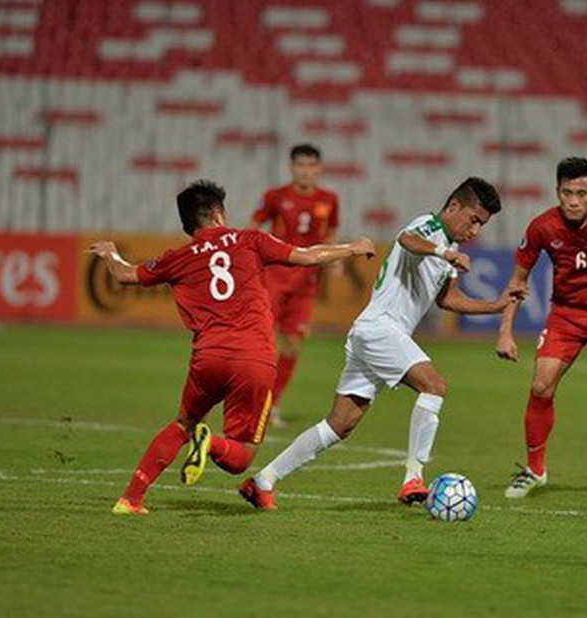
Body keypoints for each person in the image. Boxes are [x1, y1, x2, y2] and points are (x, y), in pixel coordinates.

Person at [237, 177, 525, 510]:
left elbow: (449, 299)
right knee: (434, 386)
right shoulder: (428, 226)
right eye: (474, 220)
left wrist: (495, 304)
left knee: (340, 424)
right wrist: (443, 252)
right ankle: (413, 479)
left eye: (482, 225)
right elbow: (407, 240)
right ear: (453, 206)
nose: (475, 230)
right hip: (381, 330)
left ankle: (263, 481)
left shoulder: (450, 246)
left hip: (375, 334)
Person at [90, 179, 374, 515]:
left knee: (183, 422)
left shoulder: (177, 257)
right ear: (217, 213)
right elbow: (308, 256)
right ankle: (208, 443)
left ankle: (130, 499)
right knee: (242, 456)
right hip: (253, 359)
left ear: (187, 224)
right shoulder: (249, 240)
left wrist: (110, 253)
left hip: (208, 357)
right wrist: (352, 248)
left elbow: (124, 275)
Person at [495, 157, 587, 506]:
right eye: (567, 193)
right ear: (557, 192)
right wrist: (505, 331)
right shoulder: (541, 227)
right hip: (566, 314)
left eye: (581, 193)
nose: (574, 201)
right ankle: (535, 469)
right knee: (541, 385)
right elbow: (518, 280)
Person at [247, 143, 340, 428]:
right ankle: (248, 400)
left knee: (292, 346)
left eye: (312, 166)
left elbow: (331, 232)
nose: (306, 171)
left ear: (319, 169)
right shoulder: (275, 197)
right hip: (274, 277)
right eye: (301, 165)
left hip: (305, 283)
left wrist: (335, 259)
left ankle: (270, 405)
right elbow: (253, 227)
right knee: (260, 341)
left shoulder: (329, 199)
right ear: (291, 168)